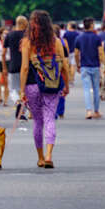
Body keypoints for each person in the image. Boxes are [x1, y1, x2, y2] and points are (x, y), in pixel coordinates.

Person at [19, 10, 70, 169]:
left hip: (32, 85)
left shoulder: (27, 42)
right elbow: (65, 67)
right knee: (49, 119)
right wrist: (66, 85)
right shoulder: (56, 42)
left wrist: (22, 91)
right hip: (52, 85)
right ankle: (49, 155)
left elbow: (25, 68)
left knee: (37, 122)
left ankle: (40, 157)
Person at [75, 17, 105, 119]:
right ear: (91, 25)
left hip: (84, 66)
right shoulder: (97, 38)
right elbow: (100, 52)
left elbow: (76, 53)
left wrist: (77, 64)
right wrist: (103, 65)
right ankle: (96, 111)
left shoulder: (79, 38)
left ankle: (88, 111)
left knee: (86, 89)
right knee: (96, 88)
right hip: (95, 65)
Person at [3, 16, 27, 105]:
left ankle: (18, 102)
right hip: (26, 65)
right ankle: (28, 110)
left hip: (13, 65)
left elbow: (3, 53)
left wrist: (4, 67)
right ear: (24, 23)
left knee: (13, 89)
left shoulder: (9, 35)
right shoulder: (28, 35)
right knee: (26, 88)